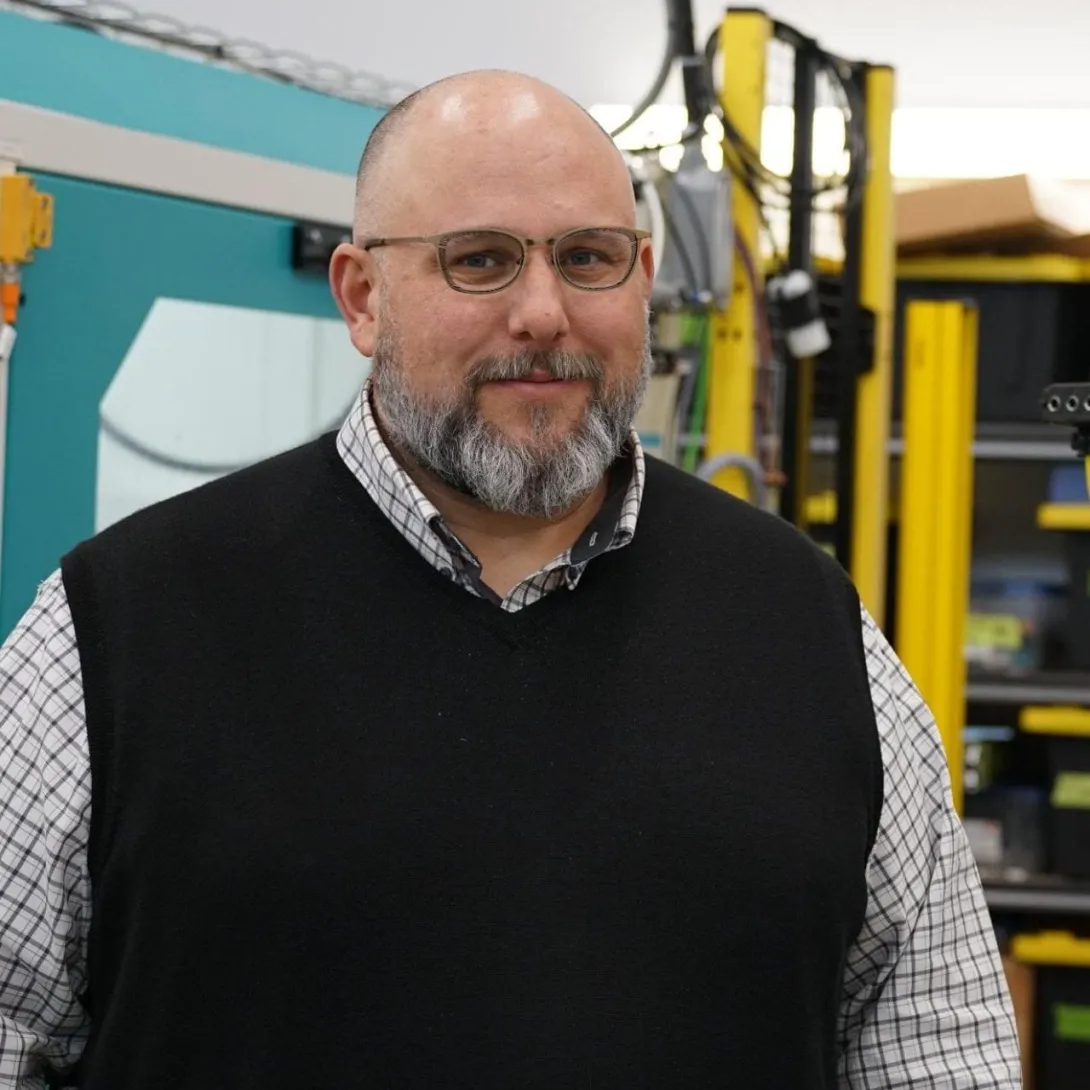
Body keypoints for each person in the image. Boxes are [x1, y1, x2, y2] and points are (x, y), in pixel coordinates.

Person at [0, 70, 1021, 1089]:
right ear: (362, 296)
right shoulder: (118, 628)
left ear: (642, 279)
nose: (543, 312)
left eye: (588, 258)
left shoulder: (805, 624)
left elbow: (937, 1048)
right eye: (480, 259)